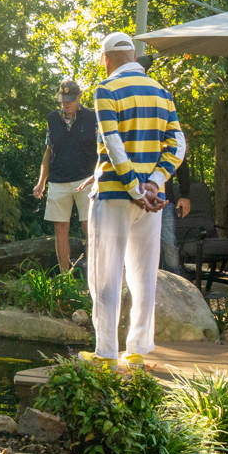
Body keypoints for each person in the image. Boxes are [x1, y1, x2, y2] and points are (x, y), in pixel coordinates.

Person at [82, 32, 185, 367]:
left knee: (105, 273)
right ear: (133, 57)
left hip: (114, 195)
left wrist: (133, 188)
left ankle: (106, 353)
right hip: (152, 202)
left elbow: (112, 144)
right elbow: (177, 145)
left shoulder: (106, 90)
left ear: (106, 59)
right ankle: (138, 350)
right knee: (143, 274)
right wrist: (153, 183)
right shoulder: (162, 92)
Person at [32, 78, 99, 274]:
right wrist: (41, 182)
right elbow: (48, 151)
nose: (66, 103)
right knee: (60, 229)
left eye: (70, 99)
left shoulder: (93, 117)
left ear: (80, 97)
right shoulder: (52, 118)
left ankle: (93, 277)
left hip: (87, 180)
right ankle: (64, 277)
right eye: (63, 99)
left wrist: (98, 175)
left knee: (90, 228)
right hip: (58, 180)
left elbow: (102, 149)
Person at [159, 161, 194, 274]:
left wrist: (184, 195)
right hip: (136, 197)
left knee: (168, 243)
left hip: (165, 199)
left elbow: (181, 163)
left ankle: (173, 286)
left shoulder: (170, 143)